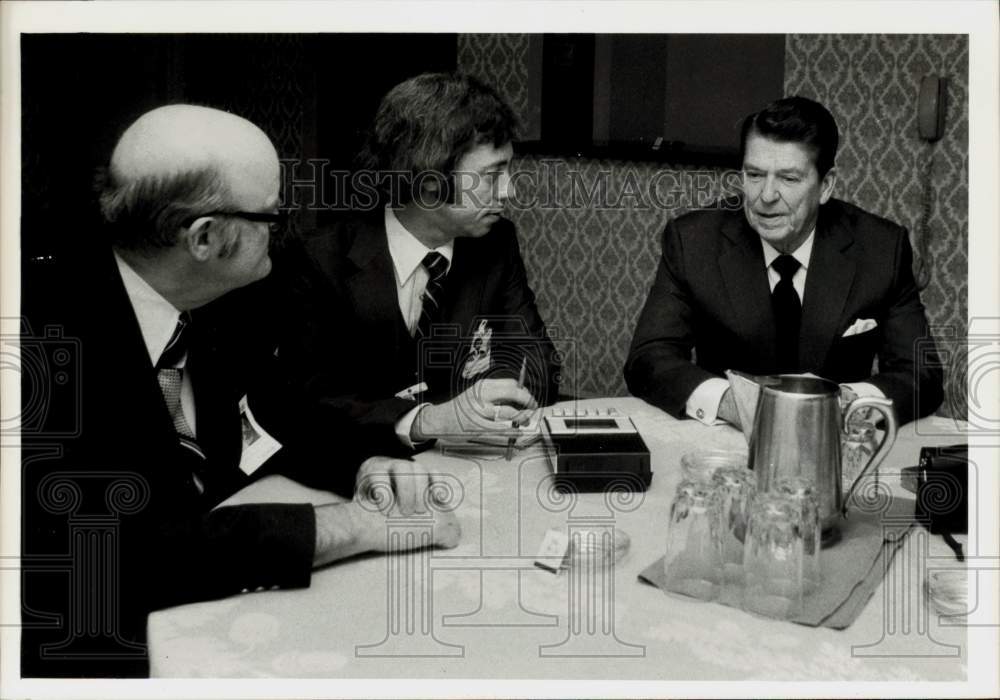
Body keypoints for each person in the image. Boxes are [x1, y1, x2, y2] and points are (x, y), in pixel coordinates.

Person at [20, 105, 460, 678]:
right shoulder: (41, 346)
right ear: (204, 237)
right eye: (274, 217)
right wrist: (351, 526)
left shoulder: (224, 299)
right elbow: (124, 550)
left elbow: (276, 414)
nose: (288, 232)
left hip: (220, 606)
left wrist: (362, 463)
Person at [274, 73, 559, 453]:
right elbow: (309, 398)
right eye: (492, 175)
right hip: (356, 465)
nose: (509, 190)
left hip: (469, 457)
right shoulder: (319, 259)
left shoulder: (496, 242)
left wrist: (498, 403)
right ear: (428, 182)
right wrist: (425, 420)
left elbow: (535, 356)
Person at [625, 96, 943, 427]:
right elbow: (648, 359)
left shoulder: (880, 248)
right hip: (729, 443)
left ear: (826, 186)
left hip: (834, 444)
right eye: (755, 174)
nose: (766, 196)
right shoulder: (694, 241)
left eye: (789, 179)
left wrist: (843, 404)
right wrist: (734, 403)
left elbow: (923, 375)